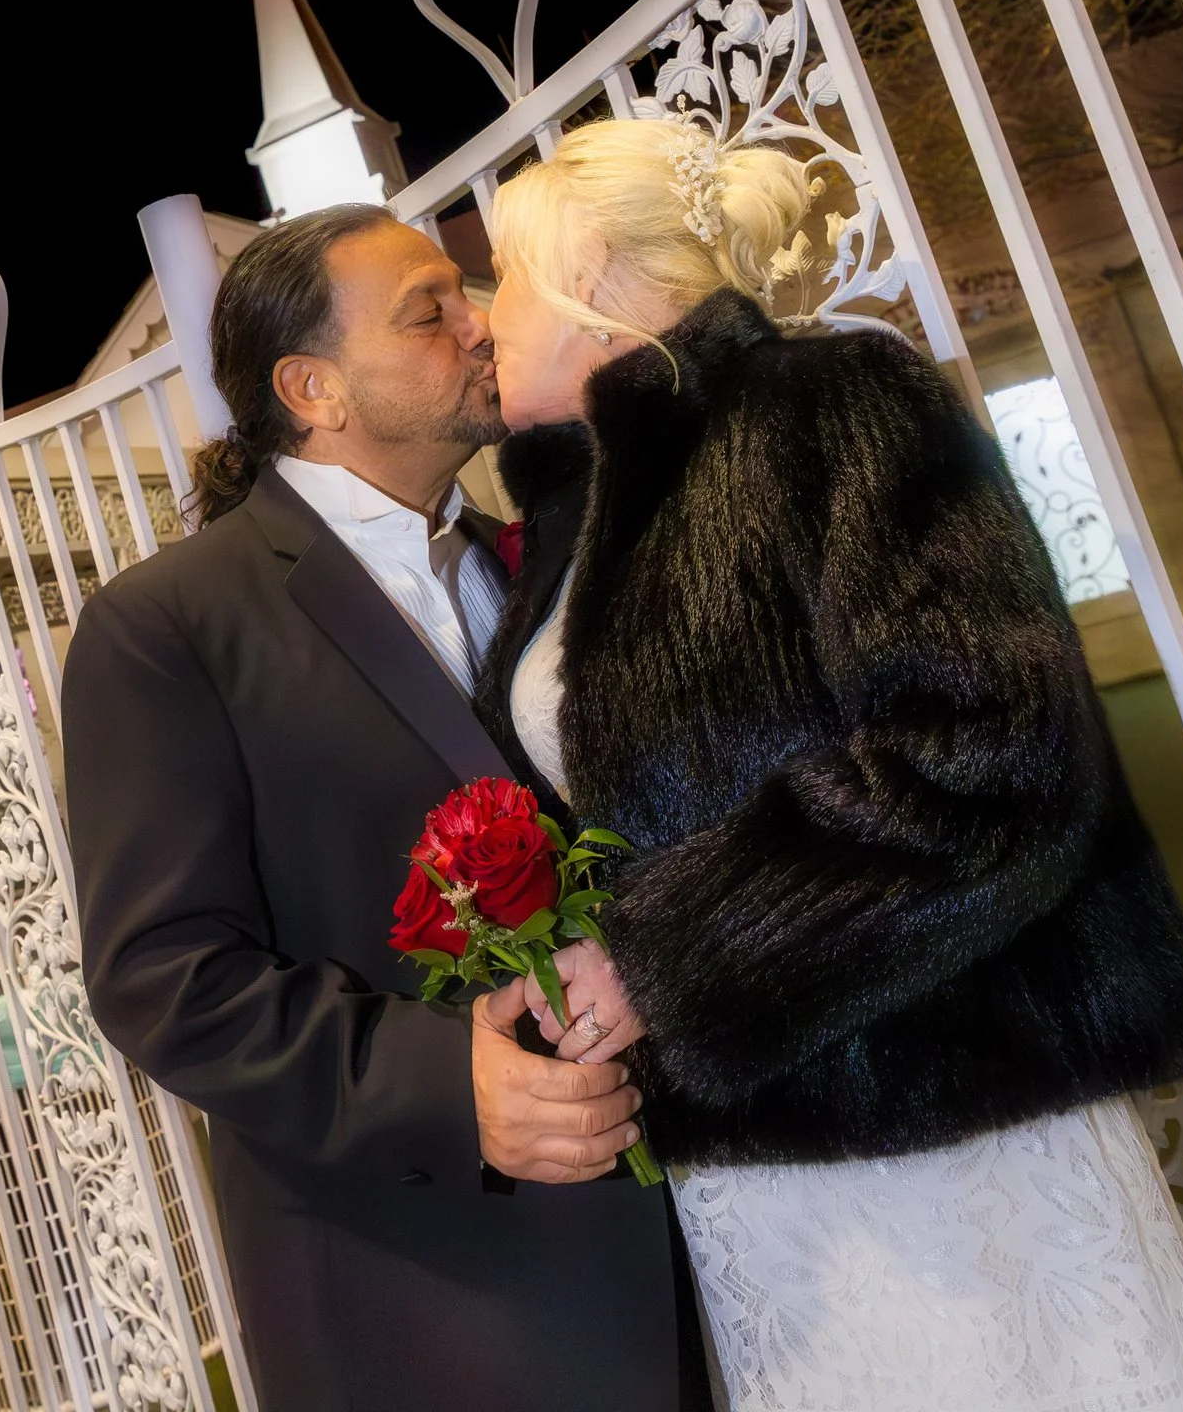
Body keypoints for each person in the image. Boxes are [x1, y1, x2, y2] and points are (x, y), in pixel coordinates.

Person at [477, 116, 1183, 1408]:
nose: (484, 318)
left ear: (587, 270)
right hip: (755, 1186)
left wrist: (670, 956)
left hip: (954, 1135)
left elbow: (989, 751)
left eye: (504, 275)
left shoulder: (830, 403)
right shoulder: (575, 520)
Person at [63, 204, 707, 1412]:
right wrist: (439, 1084)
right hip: (424, 1295)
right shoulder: (169, 624)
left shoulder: (540, 556)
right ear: (313, 387)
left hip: (673, 1247)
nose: (479, 326)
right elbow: (161, 973)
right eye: (431, 309)